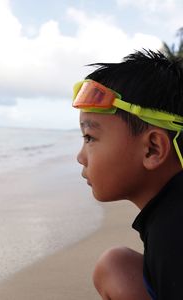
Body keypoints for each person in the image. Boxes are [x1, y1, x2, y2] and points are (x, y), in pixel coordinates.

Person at [72, 49, 183, 300]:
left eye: (90, 137)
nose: (80, 156)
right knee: (116, 265)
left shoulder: (174, 233)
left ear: (153, 148)